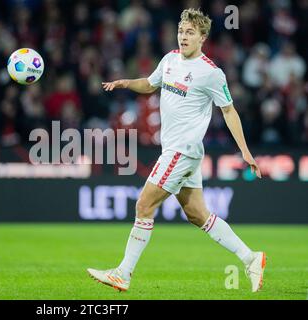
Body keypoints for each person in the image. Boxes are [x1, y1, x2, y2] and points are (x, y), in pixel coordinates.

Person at [87, 8, 266, 293]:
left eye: (190, 33)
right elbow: (149, 83)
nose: (183, 36)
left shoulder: (211, 73)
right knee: (197, 214)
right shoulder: (170, 60)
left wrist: (245, 151)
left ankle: (123, 273)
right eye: (181, 31)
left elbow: (229, 111)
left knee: (144, 205)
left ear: (202, 38)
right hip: (179, 150)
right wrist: (125, 82)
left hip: (182, 150)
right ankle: (251, 258)